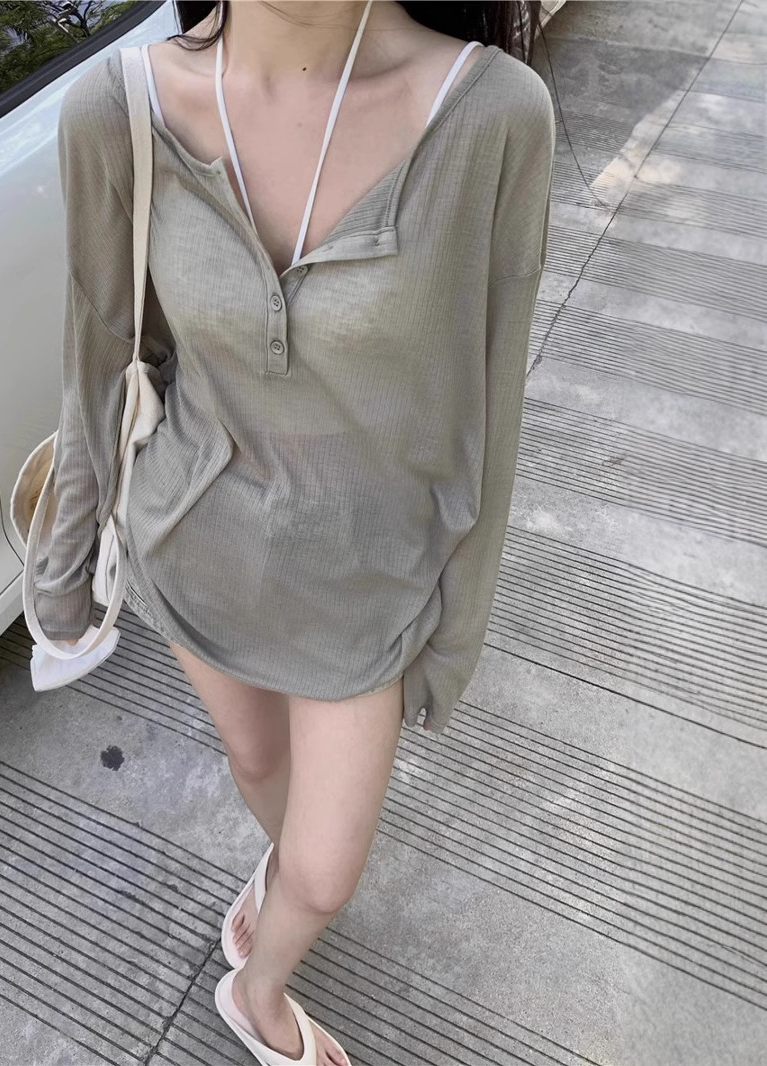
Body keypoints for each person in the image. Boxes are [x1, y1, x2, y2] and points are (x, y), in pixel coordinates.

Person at [36, 1, 555, 1062]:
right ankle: (269, 905)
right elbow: (100, 355)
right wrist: (62, 571)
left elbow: (490, 404)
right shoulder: (117, 109)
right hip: (192, 539)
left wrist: (457, 626)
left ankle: (257, 991)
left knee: (323, 869)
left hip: (366, 581)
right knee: (253, 753)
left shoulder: (494, 115)